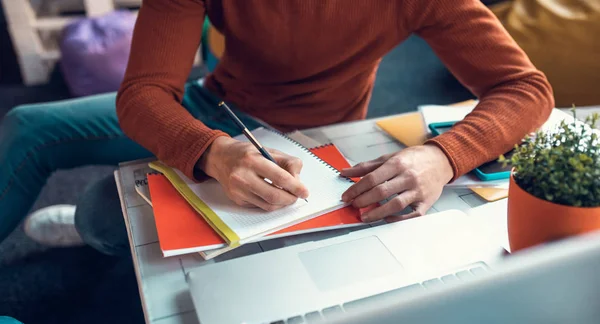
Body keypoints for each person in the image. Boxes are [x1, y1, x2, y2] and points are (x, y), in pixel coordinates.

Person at [0, 0, 554, 256]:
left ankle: (93, 228)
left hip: (310, 139)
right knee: (27, 124)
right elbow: (144, 93)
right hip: (214, 107)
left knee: (102, 214)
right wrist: (212, 151)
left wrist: (443, 155)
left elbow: (528, 89)